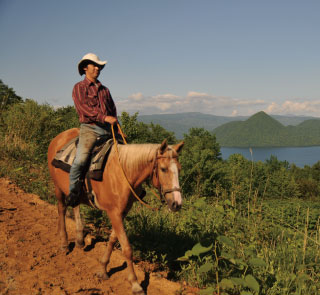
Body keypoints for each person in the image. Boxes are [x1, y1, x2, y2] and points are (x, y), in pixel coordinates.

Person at [66, 53, 118, 207]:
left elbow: (112, 110)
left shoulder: (105, 90)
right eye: (94, 65)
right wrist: (104, 118)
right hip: (90, 129)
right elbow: (84, 109)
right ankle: (73, 191)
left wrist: (117, 126)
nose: (97, 68)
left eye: (99, 66)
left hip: (108, 129)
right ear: (85, 68)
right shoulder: (79, 87)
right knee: (81, 160)